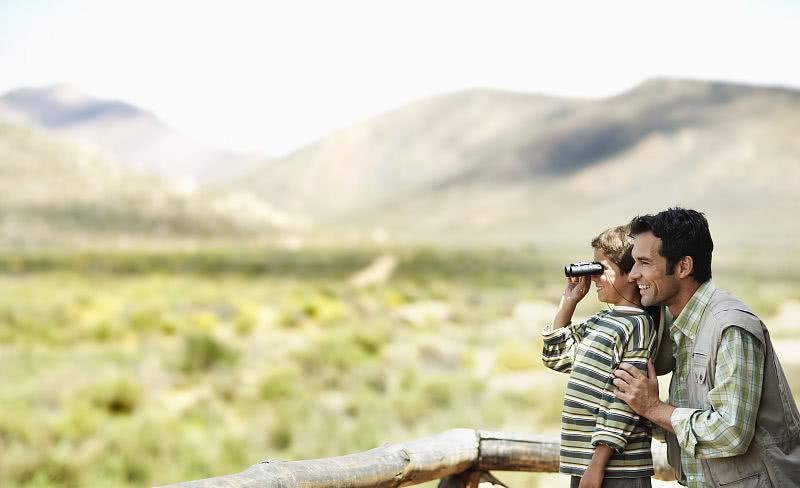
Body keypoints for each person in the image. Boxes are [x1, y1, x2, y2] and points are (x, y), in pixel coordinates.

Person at [613, 207, 800, 487]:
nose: (633, 275)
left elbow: (730, 432)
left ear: (683, 267)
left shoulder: (729, 326)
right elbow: (688, 422)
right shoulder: (682, 324)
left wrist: (654, 408)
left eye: (644, 263)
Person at [542, 225, 658, 488]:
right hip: (586, 464)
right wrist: (569, 302)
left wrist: (597, 465)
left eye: (601, 269)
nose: (593, 277)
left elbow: (625, 401)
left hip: (616, 469)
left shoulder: (637, 325)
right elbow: (556, 357)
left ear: (630, 273)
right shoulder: (603, 320)